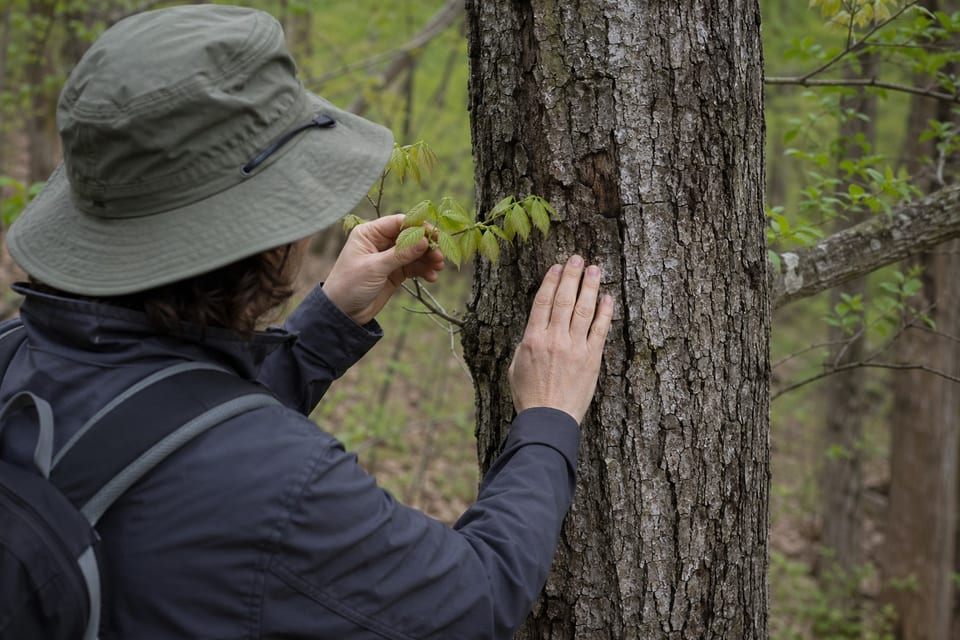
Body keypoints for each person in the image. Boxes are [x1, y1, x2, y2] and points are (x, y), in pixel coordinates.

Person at [0, 4, 612, 639]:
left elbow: (155, 436)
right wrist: (548, 417)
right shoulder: (284, 490)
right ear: (264, 244)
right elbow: (474, 599)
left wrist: (323, 327)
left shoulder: (16, 355)